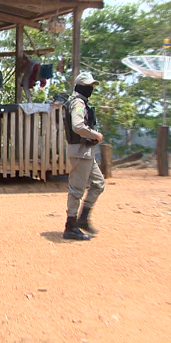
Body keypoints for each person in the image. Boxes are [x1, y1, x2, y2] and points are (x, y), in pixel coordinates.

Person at [62, 72, 105, 241]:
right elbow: (78, 126)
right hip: (80, 151)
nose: (90, 89)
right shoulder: (78, 103)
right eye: (87, 86)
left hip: (86, 151)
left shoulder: (80, 102)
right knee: (77, 190)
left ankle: (83, 219)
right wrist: (95, 134)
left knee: (99, 183)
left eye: (91, 86)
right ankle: (70, 226)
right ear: (79, 86)